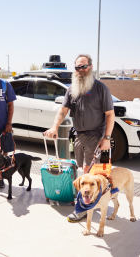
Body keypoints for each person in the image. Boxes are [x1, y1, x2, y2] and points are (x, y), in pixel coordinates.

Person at [44, 54, 115, 222]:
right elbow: (63, 110)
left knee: (89, 175)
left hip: (95, 136)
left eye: (83, 66)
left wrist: (106, 138)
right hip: (78, 136)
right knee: (83, 173)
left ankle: (82, 209)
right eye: (77, 67)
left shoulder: (100, 88)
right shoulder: (72, 89)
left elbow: (110, 115)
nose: (80, 70)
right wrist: (54, 127)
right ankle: (89, 201)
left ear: (90, 67)